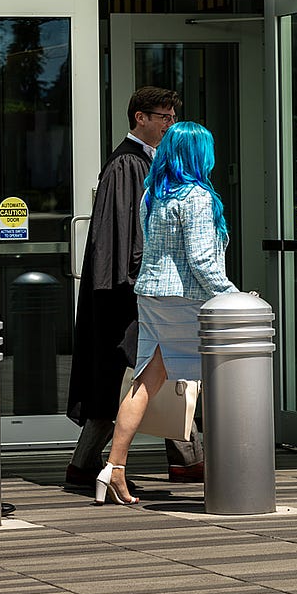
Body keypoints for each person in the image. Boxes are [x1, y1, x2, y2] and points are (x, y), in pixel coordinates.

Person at [66, 86, 204, 489]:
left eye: (172, 117)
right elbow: (124, 237)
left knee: (146, 374)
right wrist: (135, 285)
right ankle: (86, 465)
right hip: (126, 294)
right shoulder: (126, 165)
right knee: (134, 376)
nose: (169, 124)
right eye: (163, 116)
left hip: (133, 290)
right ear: (140, 118)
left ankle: (181, 458)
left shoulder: (146, 162)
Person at [94, 121, 239, 505]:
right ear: (199, 155)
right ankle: (234, 470)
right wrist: (236, 298)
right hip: (188, 300)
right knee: (224, 378)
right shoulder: (197, 197)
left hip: (152, 296)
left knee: (145, 382)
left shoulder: (153, 194)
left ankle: (114, 467)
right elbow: (203, 260)